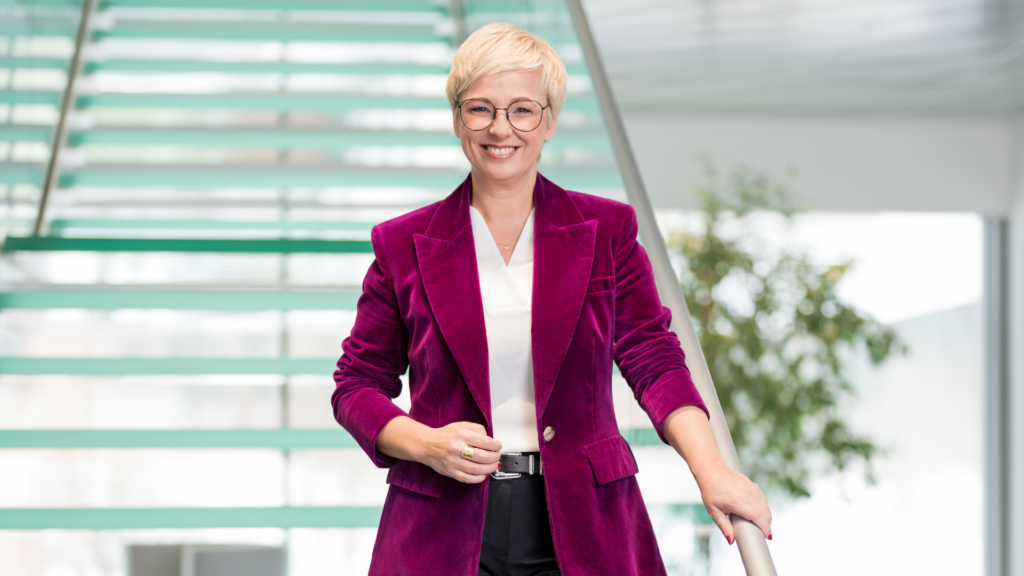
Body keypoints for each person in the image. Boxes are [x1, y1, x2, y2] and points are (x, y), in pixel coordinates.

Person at [332, 22, 772, 576]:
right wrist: (423, 442)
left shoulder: (606, 229)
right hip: (441, 528)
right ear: (457, 119)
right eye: (480, 109)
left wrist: (711, 469)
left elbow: (653, 359)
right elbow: (356, 385)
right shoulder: (401, 244)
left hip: (584, 521)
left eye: (522, 109)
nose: (500, 128)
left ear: (550, 122)